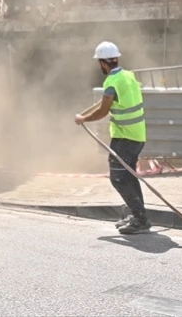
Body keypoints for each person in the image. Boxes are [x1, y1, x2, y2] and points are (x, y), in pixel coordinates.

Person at [75, 41, 149, 234]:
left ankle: (140, 219)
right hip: (137, 135)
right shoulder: (128, 76)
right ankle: (138, 215)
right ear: (116, 58)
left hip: (125, 138)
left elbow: (102, 112)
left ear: (102, 63)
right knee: (129, 176)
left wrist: (83, 118)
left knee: (118, 178)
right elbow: (111, 100)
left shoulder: (111, 82)